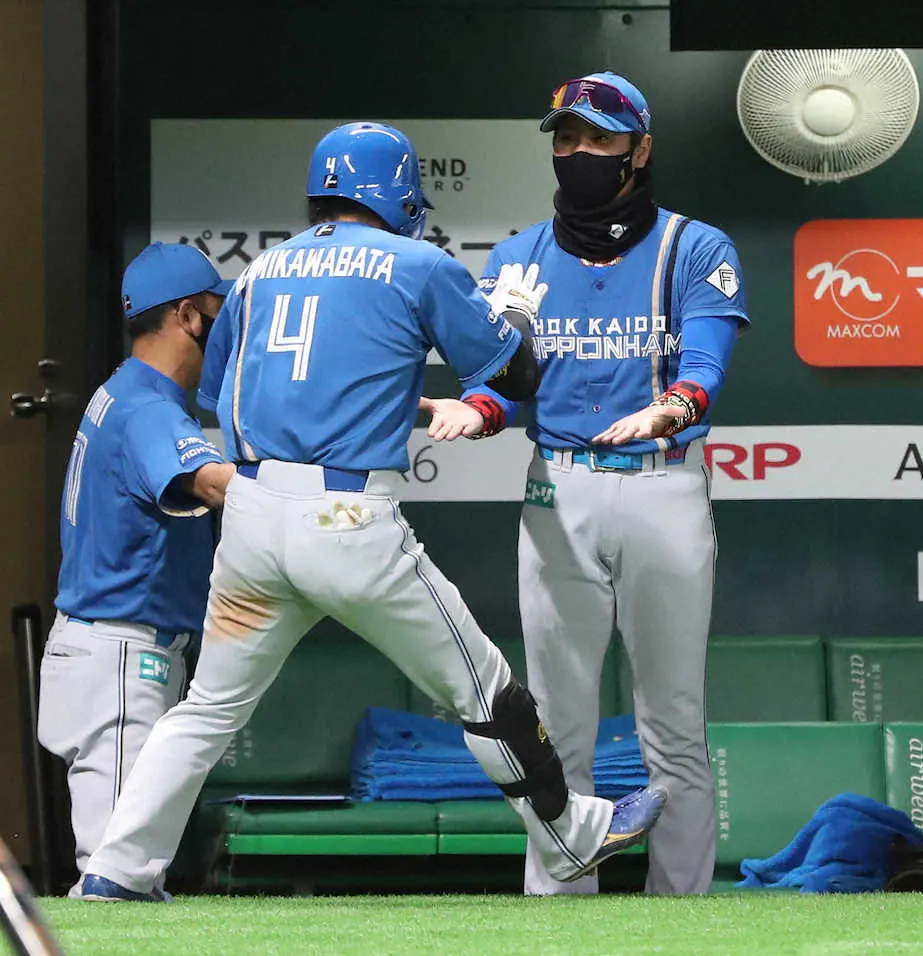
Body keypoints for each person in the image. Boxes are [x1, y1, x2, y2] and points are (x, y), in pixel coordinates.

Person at [79, 122, 665, 902]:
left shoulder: (257, 273)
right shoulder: (417, 262)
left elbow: (219, 395)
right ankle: (570, 839)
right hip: (347, 518)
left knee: (205, 712)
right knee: (487, 693)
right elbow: (517, 375)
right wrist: (518, 316)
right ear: (393, 192)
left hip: (253, 514)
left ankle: (115, 874)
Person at [420, 72, 750, 895]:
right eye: (565, 138)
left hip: (661, 484)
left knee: (671, 726)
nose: (578, 153)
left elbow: (705, 365)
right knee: (556, 726)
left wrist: (672, 407)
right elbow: (508, 378)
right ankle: (562, 917)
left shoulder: (693, 246)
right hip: (556, 488)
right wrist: (478, 411)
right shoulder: (520, 256)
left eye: (599, 139)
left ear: (640, 151)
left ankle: (680, 916)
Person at [37, 242, 235, 897]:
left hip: (107, 648)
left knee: (126, 874)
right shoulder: (149, 407)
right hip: (122, 654)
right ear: (187, 316)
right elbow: (210, 484)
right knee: (112, 879)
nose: (224, 326)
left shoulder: (121, 391)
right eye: (216, 310)